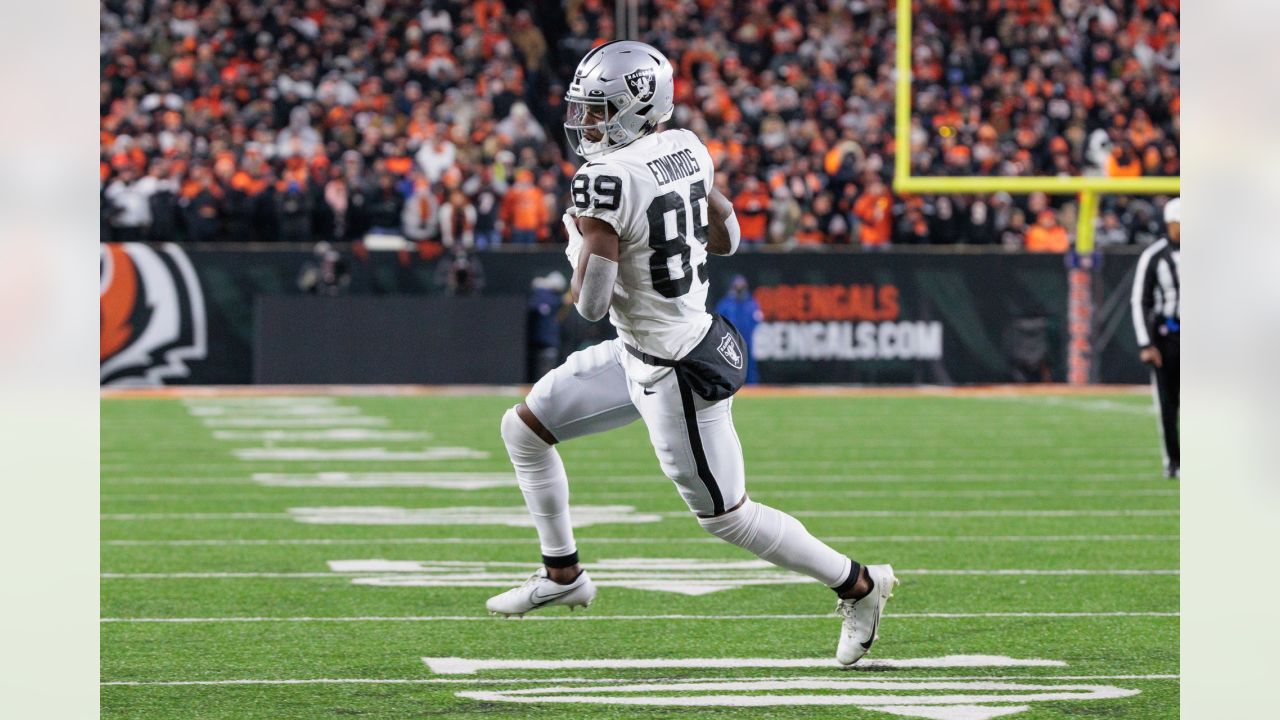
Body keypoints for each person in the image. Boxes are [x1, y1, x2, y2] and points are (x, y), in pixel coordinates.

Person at [486, 41, 897, 667]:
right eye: (584, 110)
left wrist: (578, 239)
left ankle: (860, 585)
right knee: (524, 429)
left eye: (598, 111)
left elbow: (591, 305)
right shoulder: (686, 147)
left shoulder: (604, 178)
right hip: (642, 350)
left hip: (672, 368)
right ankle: (563, 575)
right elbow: (729, 235)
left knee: (727, 517)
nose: (585, 124)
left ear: (636, 106)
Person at [1131, 197, 1180, 478]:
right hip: (1169, 336)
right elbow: (1140, 300)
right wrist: (1146, 343)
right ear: (1170, 224)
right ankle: (1174, 462)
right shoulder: (1154, 255)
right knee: (1168, 404)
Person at [714, 275, 763, 384]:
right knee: (729, 364)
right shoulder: (726, 303)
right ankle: (730, 386)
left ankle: (752, 387)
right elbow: (718, 320)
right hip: (730, 340)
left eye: (742, 285)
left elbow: (758, 319)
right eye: (737, 285)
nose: (739, 288)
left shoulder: (751, 303)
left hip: (747, 339)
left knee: (749, 364)